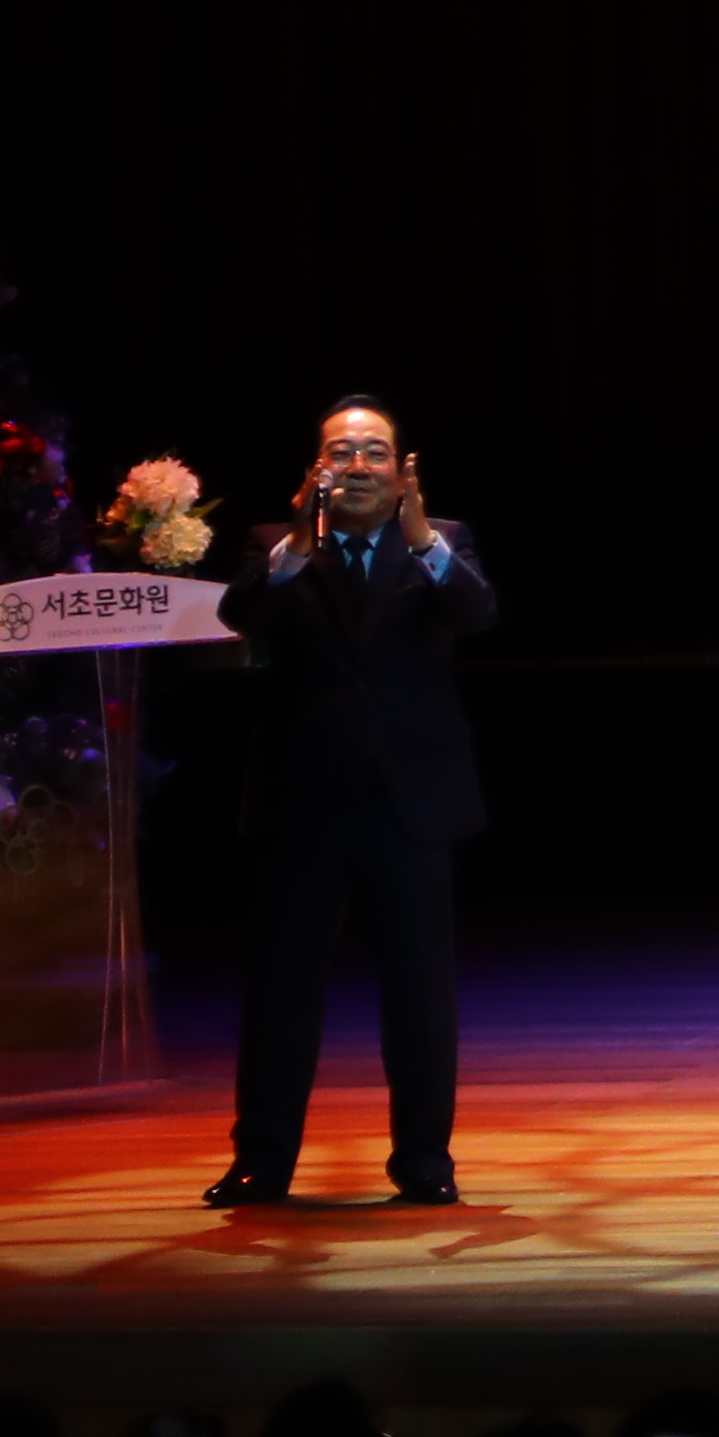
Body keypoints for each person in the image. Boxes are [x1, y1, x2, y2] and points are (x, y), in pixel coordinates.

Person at [212, 396, 495, 1208]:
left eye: (375, 453)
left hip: (410, 804)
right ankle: (261, 1161)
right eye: (342, 452)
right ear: (316, 470)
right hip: (302, 804)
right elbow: (239, 615)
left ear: (402, 472)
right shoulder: (276, 545)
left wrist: (424, 538)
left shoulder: (442, 541)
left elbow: (478, 612)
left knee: (420, 995)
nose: (357, 466)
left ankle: (425, 1161)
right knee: (282, 993)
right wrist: (299, 545)